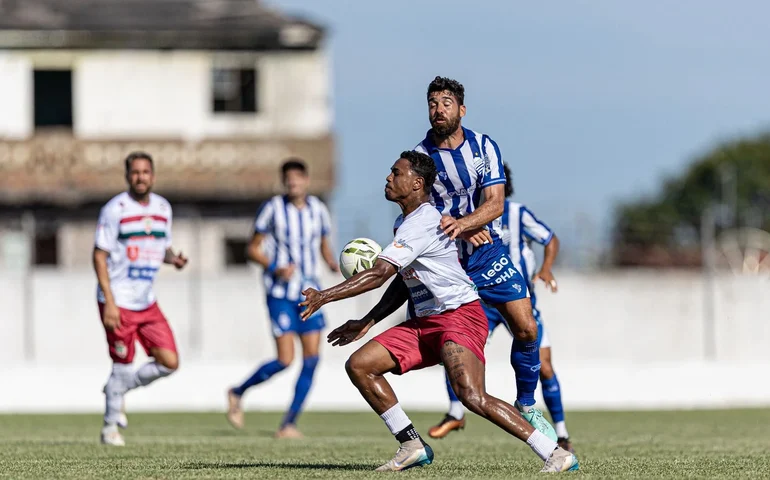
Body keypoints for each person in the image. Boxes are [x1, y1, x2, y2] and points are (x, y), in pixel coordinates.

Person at [300, 151, 578, 473]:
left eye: (396, 173)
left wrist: (324, 296)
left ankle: (555, 453)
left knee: (472, 396)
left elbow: (379, 274)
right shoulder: (404, 224)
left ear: (417, 183)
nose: (388, 178)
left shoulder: (423, 222)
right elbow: (403, 282)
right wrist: (368, 320)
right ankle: (412, 445)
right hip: (425, 322)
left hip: (459, 317)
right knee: (360, 365)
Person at [412, 76, 554, 438]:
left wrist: (464, 223)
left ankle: (527, 404)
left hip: (487, 254)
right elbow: (417, 211)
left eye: (446, 103)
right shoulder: (419, 156)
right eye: (432, 103)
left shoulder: (483, 146)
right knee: (452, 348)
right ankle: (457, 409)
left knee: (527, 328)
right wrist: (456, 227)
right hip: (447, 262)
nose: (438, 110)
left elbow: (495, 203)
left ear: (461, 109)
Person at [428, 164, 575, 453]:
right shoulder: (462, 217)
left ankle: (561, 434)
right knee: (456, 350)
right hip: (482, 302)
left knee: (544, 366)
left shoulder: (517, 213)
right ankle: (456, 412)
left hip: (517, 298)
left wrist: (546, 268)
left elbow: (550, 239)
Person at [226, 158, 339, 438]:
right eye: (289, 178)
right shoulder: (273, 209)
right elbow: (252, 249)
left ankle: (289, 424)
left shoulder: (318, 210)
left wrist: (333, 263)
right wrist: (274, 266)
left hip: (311, 294)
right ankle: (238, 391)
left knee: (311, 359)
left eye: (298, 177)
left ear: (306, 180)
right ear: (284, 182)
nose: (293, 182)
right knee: (286, 359)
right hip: (280, 293)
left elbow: (324, 245)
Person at [94, 151, 188, 446]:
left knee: (169, 361)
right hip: (119, 300)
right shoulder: (115, 209)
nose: (140, 177)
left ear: (153, 176)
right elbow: (99, 255)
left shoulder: (163, 208)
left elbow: (161, 247)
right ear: (127, 176)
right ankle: (110, 428)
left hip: (146, 301)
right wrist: (109, 301)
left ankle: (117, 389)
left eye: (145, 172)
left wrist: (174, 259)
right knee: (122, 362)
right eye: (135, 172)